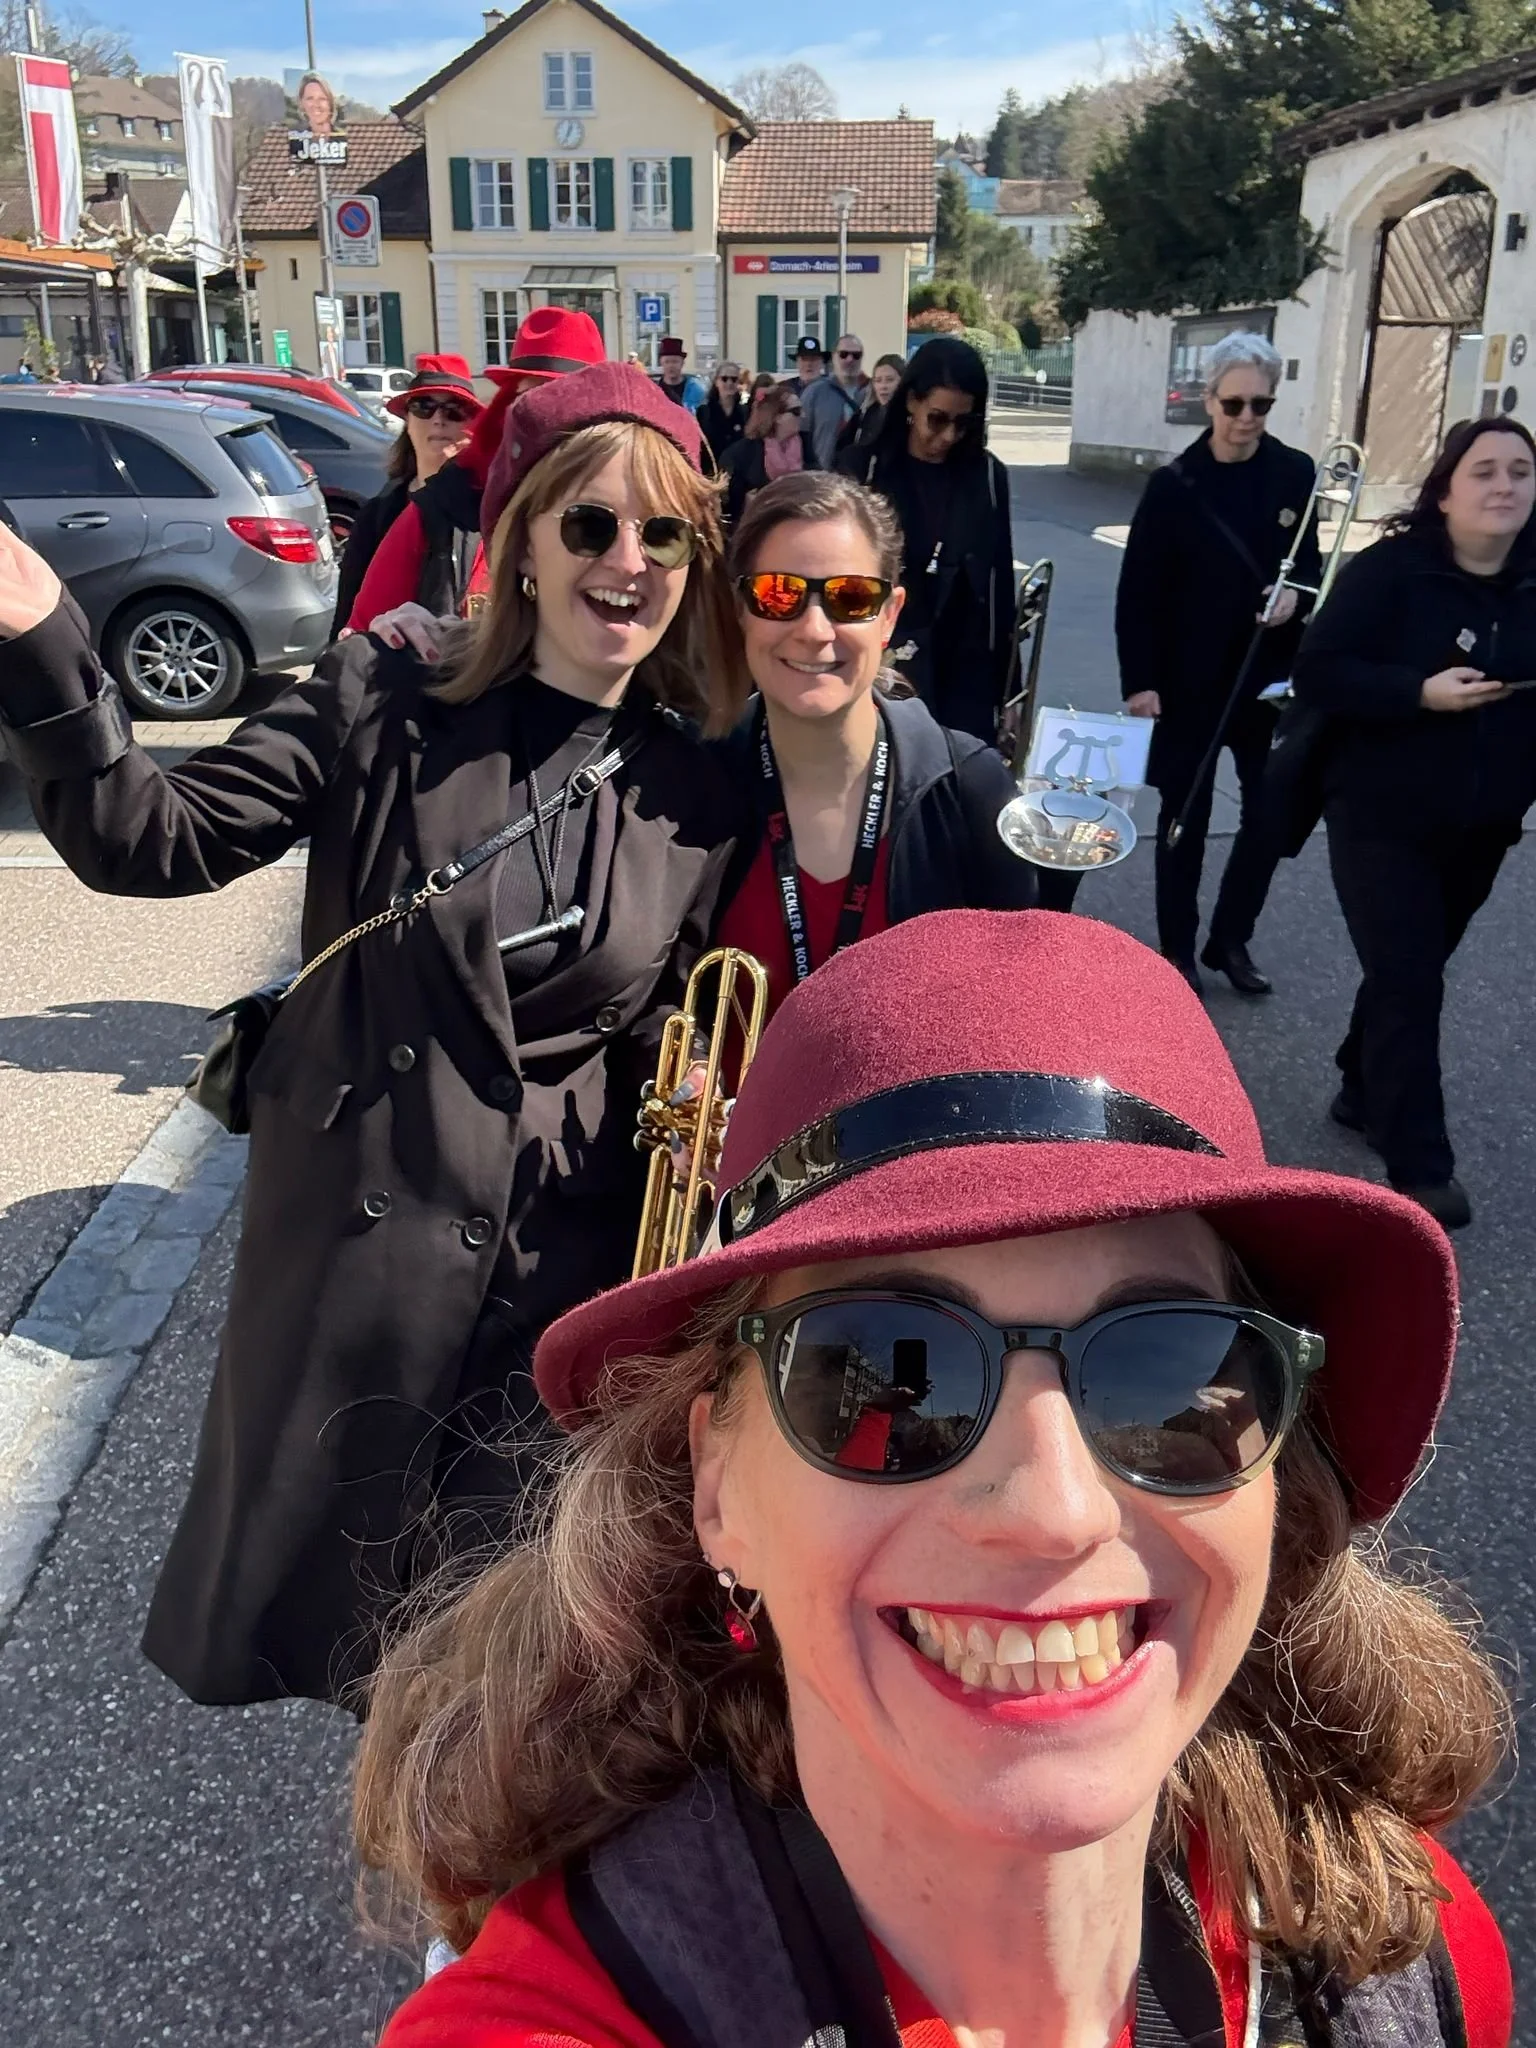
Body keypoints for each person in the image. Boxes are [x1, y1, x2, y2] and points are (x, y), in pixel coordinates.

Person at [359, 908, 1512, 2048]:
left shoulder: (1408, 1961)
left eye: (1171, 1374)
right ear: (716, 1488)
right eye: (879, 1386)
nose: (1053, 1510)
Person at [0, 363, 746, 1710]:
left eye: (663, 533)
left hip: (551, 1302)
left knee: (513, 1686)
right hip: (368, 1277)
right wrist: (40, 627)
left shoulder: (700, 780)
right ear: (521, 540)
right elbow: (144, 837)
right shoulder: (384, 698)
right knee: (375, 1658)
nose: (627, 562)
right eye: (589, 525)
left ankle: (474, 1915)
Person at [1291, 414, 1536, 1232]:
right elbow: (1319, 670)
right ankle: (1422, 1166)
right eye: (1485, 472)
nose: (1504, 486)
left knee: (1414, 966)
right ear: (1445, 493)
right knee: (1409, 978)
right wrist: (1417, 693)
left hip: (1485, 825)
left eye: (1520, 471)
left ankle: (1363, 1083)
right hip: (1379, 817)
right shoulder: (1391, 572)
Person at [711, 472, 1037, 1013]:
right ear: (740, 608)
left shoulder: (970, 789)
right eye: (778, 593)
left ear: (889, 616)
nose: (815, 629)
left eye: (851, 597)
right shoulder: (692, 778)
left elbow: (1018, 1016)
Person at [1115, 332, 1320, 998]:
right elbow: (1137, 590)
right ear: (1208, 400)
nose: (1246, 418)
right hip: (1187, 682)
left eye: (1261, 403)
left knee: (1269, 816)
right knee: (1185, 822)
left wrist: (1298, 598)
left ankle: (1230, 937)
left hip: (1268, 679)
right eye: (1233, 403)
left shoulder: (1297, 473)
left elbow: (1312, 568)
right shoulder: (1174, 487)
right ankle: (1176, 948)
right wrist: (1140, 684)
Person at [345, 309, 606, 631]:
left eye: (564, 401)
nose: (546, 419)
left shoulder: (633, 511)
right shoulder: (441, 507)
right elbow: (357, 634)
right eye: (530, 401)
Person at [838, 336, 1014, 746]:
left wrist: (1009, 692)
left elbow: (999, 582)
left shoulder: (987, 477)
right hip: (884, 670)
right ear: (911, 403)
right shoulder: (862, 470)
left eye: (963, 423)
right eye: (938, 419)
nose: (949, 435)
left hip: (966, 672)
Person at [330, 354, 483, 635]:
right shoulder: (379, 513)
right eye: (424, 407)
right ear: (408, 422)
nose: (438, 420)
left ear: (471, 425)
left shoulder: (489, 506)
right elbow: (348, 615)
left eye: (454, 410)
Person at [719, 382, 811, 527]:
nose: (803, 416)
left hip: (796, 528)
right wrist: (747, 505)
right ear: (776, 417)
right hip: (756, 530)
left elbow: (816, 483)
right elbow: (725, 504)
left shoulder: (806, 445)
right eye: (796, 411)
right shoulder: (741, 453)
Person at [800, 332, 867, 468]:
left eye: (856, 355)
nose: (849, 360)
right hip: (822, 478)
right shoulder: (814, 392)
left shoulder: (871, 393)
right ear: (833, 357)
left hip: (859, 480)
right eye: (843, 354)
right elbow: (801, 437)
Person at [838, 349, 905, 459]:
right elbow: (842, 448)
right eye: (878, 380)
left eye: (890, 380)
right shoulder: (865, 414)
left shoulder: (912, 418)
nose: (883, 386)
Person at [695, 360, 746, 464]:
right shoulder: (704, 412)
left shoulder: (745, 412)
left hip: (738, 474)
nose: (729, 383)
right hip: (711, 472)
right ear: (716, 382)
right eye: (724, 379)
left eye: (734, 379)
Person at [657, 336, 707, 412]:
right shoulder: (654, 390)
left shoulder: (697, 389)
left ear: (682, 363)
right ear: (661, 363)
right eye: (667, 362)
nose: (671, 366)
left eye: (675, 362)